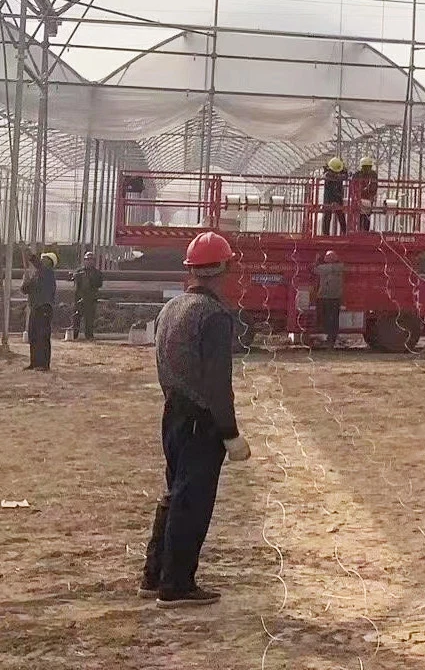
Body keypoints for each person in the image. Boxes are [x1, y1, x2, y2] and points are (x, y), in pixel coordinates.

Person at [139, 230, 252, 607]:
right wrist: (230, 433)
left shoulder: (170, 309)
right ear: (224, 269)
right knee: (193, 500)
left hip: (172, 414)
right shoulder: (215, 316)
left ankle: (154, 575)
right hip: (200, 421)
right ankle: (177, 585)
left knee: (174, 493)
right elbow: (218, 383)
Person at [22, 250, 57, 371]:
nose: (42, 261)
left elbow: (39, 265)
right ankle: (34, 362)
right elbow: (25, 290)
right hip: (35, 307)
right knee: (33, 335)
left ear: (50, 262)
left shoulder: (48, 273)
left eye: (45, 259)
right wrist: (25, 281)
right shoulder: (37, 275)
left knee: (43, 336)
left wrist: (31, 256)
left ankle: (43, 364)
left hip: (44, 307)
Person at [314, 250, 345, 349]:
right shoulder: (340, 267)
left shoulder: (324, 268)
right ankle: (331, 340)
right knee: (334, 320)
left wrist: (317, 260)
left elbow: (313, 269)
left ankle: (328, 339)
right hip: (336, 298)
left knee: (325, 319)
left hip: (325, 297)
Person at [71, 251, 104, 341]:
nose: (89, 261)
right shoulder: (79, 271)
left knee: (89, 319)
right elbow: (73, 281)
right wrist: (76, 276)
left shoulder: (97, 273)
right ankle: (74, 335)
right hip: (79, 298)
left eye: (91, 259)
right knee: (76, 317)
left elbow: (99, 284)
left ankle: (89, 336)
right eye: (87, 259)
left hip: (90, 299)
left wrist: (90, 278)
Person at [350, 157, 379, 232]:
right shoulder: (357, 175)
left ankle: (365, 231)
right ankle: (359, 230)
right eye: (365, 167)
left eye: (368, 167)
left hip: (367, 198)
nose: (367, 169)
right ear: (362, 167)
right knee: (359, 215)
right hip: (359, 198)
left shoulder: (373, 175)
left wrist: (371, 195)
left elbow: (374, 186)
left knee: (367, 215)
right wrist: (357, 196)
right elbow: (354, 187)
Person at [322, 157, 347, 236]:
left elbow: (345, 176)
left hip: (337, 197)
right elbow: (338, 177)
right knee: (327, 215)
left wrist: (344, 170)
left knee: (341, 215)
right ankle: (325, 233)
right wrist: (341, 174)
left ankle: (344, 232)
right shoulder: (328, 174)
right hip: (329, 197)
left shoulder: (339, 174)